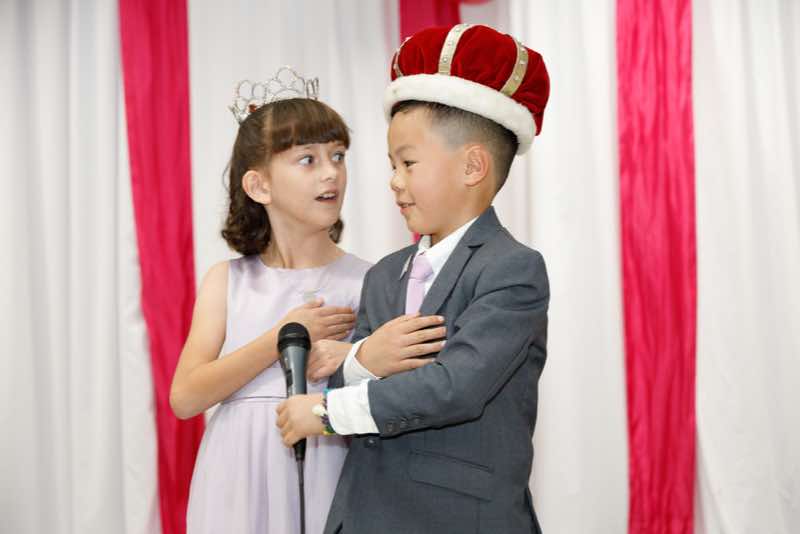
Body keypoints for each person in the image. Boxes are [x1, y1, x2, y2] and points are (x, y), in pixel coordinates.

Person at [277, 24, 552, 533]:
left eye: (408, 163)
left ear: (473, 166)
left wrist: (327, 412)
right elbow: (347, 373)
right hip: (367, 515)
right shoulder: (385, 274)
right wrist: (362, 359)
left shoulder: (512, 269)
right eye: (391, 165)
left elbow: (457, 386)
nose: (394, 181)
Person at [169, 68, 372, 534]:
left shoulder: (367, 280)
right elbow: (185, 396)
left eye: (338, 155)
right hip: (235, 478)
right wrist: (281, 337)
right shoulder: (228, 280)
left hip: (331, 466)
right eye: (307, 159)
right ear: (259, 186)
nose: (331, 172)